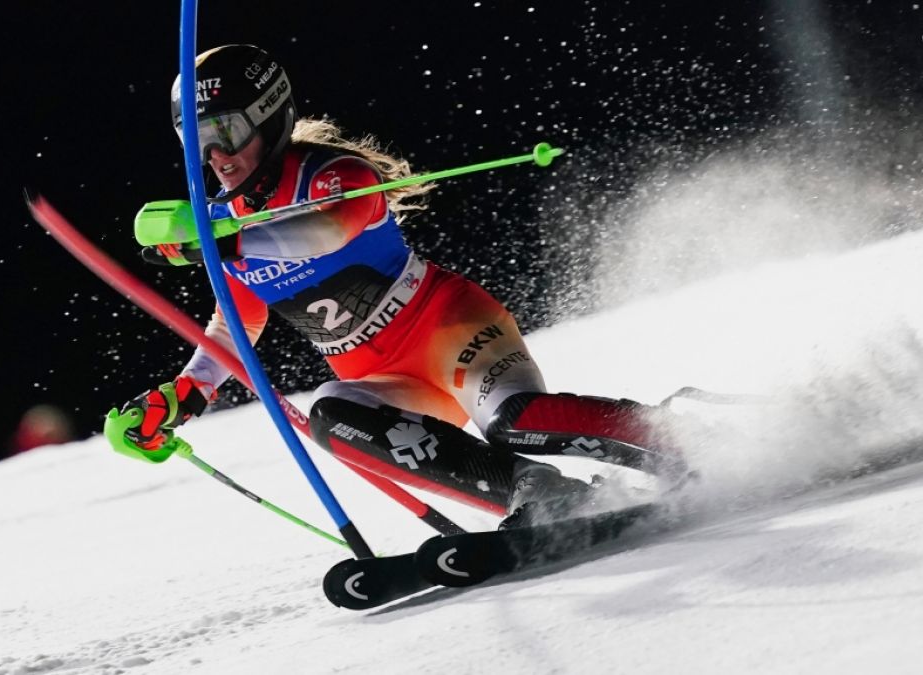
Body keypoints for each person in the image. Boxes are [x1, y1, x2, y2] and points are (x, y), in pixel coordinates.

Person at [121, 44, 685, 526]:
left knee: (515, 422)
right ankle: (537, 492)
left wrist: (222, 242)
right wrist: (182, 396)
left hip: (454, 334)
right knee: (332, 413)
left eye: (225, 132)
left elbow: (326, 230)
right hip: (388, 382)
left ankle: (686, 441)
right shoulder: (226, 222)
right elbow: (239, 322)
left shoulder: (332, 175)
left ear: (268, 119)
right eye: (194, 139)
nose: (212, 156)